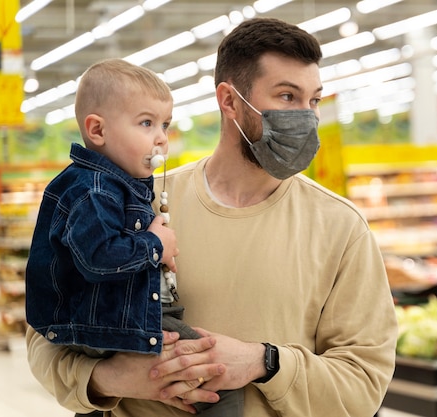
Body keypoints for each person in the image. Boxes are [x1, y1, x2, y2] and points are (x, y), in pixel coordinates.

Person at [26, 17, 398, 417]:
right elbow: (45, 334)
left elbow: (364, 384)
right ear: (230, 100)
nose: (306, 116)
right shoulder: (138, 204)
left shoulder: (341, 226)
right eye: (287, 97)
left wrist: (264, 362)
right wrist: (111, 379)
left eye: (314, 100)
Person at [24, 58, 242, 417]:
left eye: (165, 125)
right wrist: (155, 246)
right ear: (97, 131)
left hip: (105, 314)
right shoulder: (94, 190)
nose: (160, 137)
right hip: (106, 320)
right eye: (146, 123)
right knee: (219, 381)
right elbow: (99, 258)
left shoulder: (117, 186)